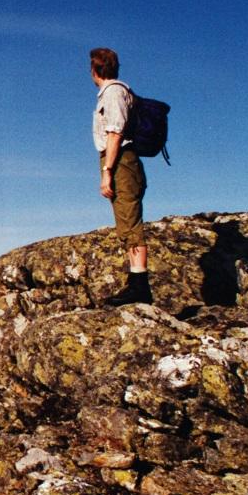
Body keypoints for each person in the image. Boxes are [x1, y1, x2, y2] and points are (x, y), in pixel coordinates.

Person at [90, 47, 152, 305]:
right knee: (125, 221)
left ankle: (140, 287)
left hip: (121, 161)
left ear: (95, 70)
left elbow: (115, 133)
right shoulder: (114, 92)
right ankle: (136, 284)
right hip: (121, 160)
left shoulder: (114, 93)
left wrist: (107, 171)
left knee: (130, 221)